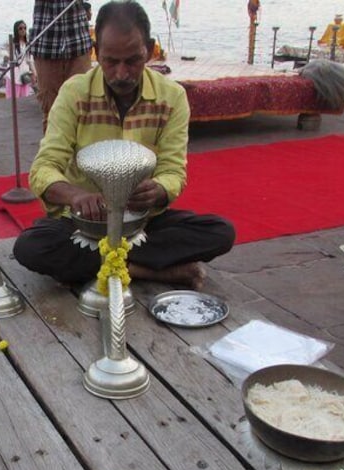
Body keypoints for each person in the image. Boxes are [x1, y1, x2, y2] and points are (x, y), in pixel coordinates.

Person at [13, 0, 235, 290]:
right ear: (96, 51)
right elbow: (43, 169)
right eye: (110, 62)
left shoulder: (172, 97)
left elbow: (173, 171)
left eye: (132, 60)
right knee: (31, 246)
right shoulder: (74, 93)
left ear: (150, 48)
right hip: (84, 227)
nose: (121, 73)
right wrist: (76, 196)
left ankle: (112, 267)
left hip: (141, 224)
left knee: (220, 232)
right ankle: (147, 270)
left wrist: (158, 190)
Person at [30, 0, 93, 131]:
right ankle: (52, 151)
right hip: (46, 44)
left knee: (83, 108)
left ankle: (79, 151)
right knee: (51, 111)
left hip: (78, 42)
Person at [6, 20, 37, 98]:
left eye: (24, 28)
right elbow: (8, 55)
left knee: (24, 98)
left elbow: (30, 60)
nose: (23, 30)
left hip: (24, 75)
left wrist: (34, 73)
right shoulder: (12, 43)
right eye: (20, 28)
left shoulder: (28, 44)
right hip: (14, 76)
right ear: (16, 30)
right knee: (13, 98)